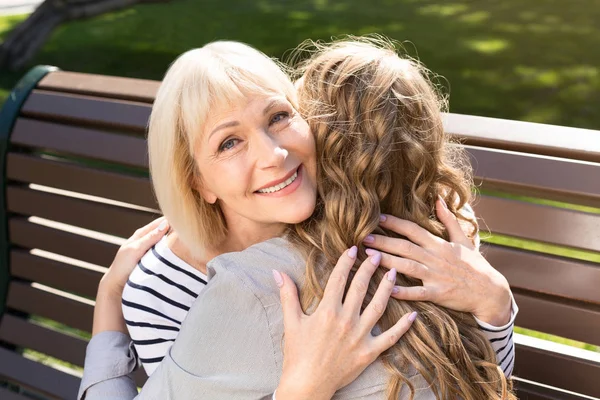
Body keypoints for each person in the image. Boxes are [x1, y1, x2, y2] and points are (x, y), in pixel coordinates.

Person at [79, 39, 517, 399]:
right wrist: (305, 388)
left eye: (279, 116)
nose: (273, 155)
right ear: (198, 182)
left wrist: (494, 304)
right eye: (229, 143)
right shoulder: (167, 288)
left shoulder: (367, 225)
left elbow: (476, 381)